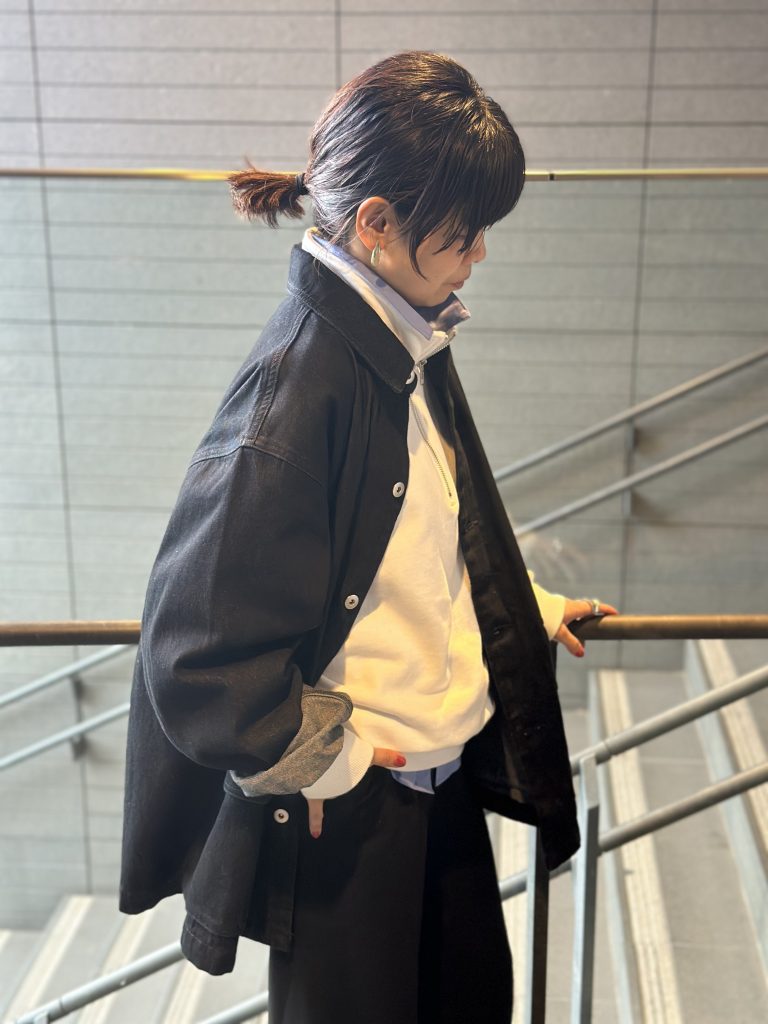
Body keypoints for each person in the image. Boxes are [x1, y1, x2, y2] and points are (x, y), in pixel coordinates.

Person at [119, 50, 617, 1024]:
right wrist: (326, 759)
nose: (480, 254)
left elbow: (421, 538)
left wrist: (522, 606)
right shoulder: (297, 392)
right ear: (377, 222)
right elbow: (192, 654)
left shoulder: (402, 337)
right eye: (464, 231)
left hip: (435, 781)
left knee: (474, 1001)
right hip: (350, 808)